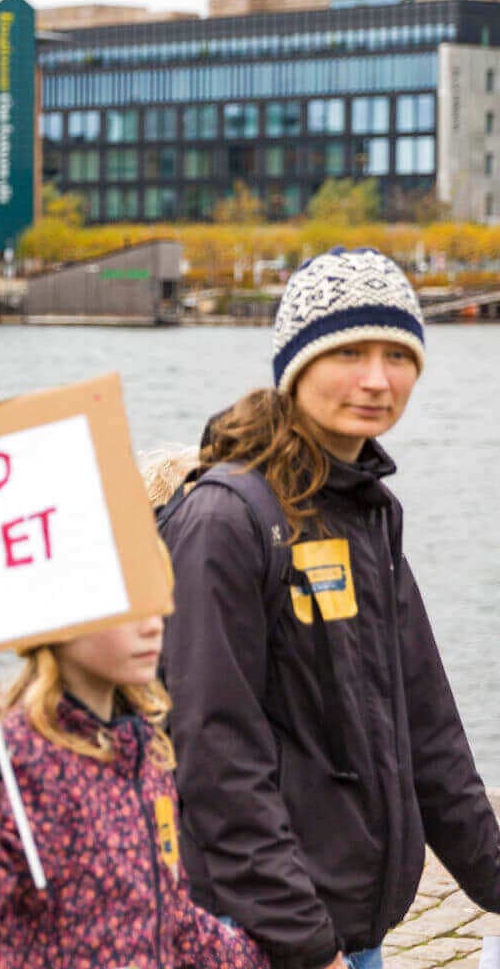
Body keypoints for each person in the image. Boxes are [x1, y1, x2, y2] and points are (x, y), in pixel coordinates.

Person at [163, 248, 500, 969]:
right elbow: (216, 757)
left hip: (351, 932)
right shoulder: (227, 519)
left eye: (398, 354)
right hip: (256, 939)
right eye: (348, 351)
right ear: (296, 366)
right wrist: (305, 947)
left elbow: (429, 732)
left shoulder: (365, 512)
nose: (377, 379)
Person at [0, 460, 264, 966]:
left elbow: (170, 918)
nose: (154, 625)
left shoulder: (143, 751)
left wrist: (275, 957)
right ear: (60, 619)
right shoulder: (18, 756)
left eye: (159, 603)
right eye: (128, 608)